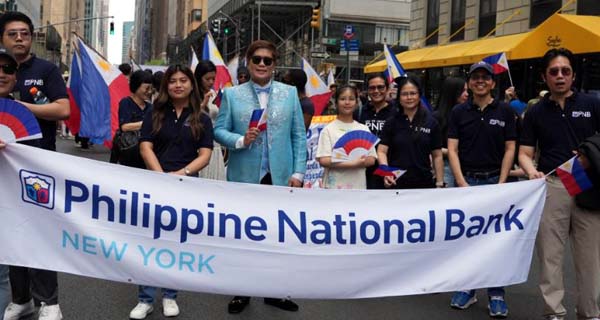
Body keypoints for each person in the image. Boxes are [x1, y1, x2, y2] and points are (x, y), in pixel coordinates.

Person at [214, 39, 306, 314]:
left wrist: (298, 172)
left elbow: (298, 136)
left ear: (275, 65)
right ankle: (242, 291)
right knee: (244, 237)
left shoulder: (289, 94)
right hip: (245, 177)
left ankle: (275, 291)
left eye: (268, 60)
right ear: (249, 63)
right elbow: (218, 131)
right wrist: (241, 140)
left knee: (279, 239)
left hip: (280, 177)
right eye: (257, 60)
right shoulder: (232, 95)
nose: (263, 64)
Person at [518, 48, 600, 320]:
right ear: (545, 77)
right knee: (550, 257)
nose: (560, 76)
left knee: (590, 258)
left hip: (589, 187)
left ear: (573, 75)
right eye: (554, 72)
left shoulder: (592, 104)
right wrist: (531, 171)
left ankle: (590, 313)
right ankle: (554, 313)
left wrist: (591, 155)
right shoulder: (535, 112)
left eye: (566, 71)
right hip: (552, 185)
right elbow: (524, 153)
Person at [129, 65, 213, 319]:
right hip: (154, 184)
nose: (178, 85)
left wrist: (181, 175)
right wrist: (161, 177)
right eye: (173, 81)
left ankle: (170, 295)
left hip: (187, 186)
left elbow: (205, 155)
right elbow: (145, 147)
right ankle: (145, 299)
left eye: (183, 80)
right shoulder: (154, 113)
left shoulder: (202, 118)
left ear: (191, 85)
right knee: (150, 241)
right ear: (166, 86)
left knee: (177, 241)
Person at [0, 11, 69, 320]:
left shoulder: (47, 69)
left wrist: (19, 107)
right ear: (2, 38)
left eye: (25, 33)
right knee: (12, 234)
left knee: (40, 232)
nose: (19, 38)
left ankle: (49, 302)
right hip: (4, 173)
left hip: (38, 165)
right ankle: (21, 298)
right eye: (13, 33)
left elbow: (63, 109)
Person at [447, 61, 517, 318]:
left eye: (485, 78)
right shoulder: (458, 112)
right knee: (466, 239)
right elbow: (452, 149)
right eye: (475, 77)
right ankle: (468, 288)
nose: (480, 81)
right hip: (467, 182)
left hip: (495, 183)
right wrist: (461, 182)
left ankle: (496, 293)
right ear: (469, 83)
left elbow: (511, 148)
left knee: (496, 241)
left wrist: (501, 182)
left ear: (493, 83)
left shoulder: (506, 112)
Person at [377, 76, 444, 189]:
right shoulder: (391, 122)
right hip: (396, 185)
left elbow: (437, 155)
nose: (409, 97)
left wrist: (440, 182)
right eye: (404, 94)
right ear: (399, 97)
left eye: (413, 93)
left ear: (419, 95)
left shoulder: (431, 122)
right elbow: (381, 151)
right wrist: (386, 173)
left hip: (425, 185)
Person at [316, 85, 376, 189]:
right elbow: (324, 160)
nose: (347, 103)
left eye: (351, 99)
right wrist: (353, 163)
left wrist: (356, 162)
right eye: (343, 99)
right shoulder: (328, 130)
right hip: (333, 186)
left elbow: (371, 159)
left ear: (356, 103)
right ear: (336, 103)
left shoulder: (363, 129)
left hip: (358, 186)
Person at [0, 45, 18, 318]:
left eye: (8, 69)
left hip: (9, 205)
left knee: (2, 276)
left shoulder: (21, 112)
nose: (1, 74)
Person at [356, 73, 398, 189]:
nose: (376, 91)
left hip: (391, 170)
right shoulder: (360, 112)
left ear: (388, 88)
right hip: (364, 171)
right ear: (367, 90)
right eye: (372, 88)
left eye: (380, 87)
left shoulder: (397, 113)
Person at [112, 69, 153, 168]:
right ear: (136, 86)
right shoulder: (126, 102)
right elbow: (125, 127)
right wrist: (147, 123)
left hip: (145, 154)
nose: (149, 92)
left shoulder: (150, 107)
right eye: (146, 88)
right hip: (127, 153)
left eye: (151, 89)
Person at [193, 60, 226, 180]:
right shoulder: (191, 94)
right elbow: (190, 118)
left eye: (213, 79)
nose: (211, 82)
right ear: (199, 77)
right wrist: (203, 104)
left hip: (215, 146)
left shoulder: (214, 94)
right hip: (198, 146)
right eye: (207, 79)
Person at [433, 77, 468, 185]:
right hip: (445, 165)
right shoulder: (437, 117)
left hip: (465, 165)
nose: (467, 94)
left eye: (467, 90)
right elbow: (431, 146)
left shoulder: (466, 113)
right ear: (453, 92)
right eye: (463, 91)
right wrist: (451, 152)